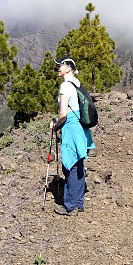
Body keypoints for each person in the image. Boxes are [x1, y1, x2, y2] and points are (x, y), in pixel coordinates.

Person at [52, 58, 95, 215]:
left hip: (71, 128)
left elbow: (63, 113)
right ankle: (79, 203)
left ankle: (70, 206)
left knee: (69, 166)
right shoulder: (76, 83)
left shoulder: (65, 85)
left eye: (60, 65)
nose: (57, 67)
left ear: (68, 68)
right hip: (81, 127)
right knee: (78, 165)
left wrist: (56, 124)